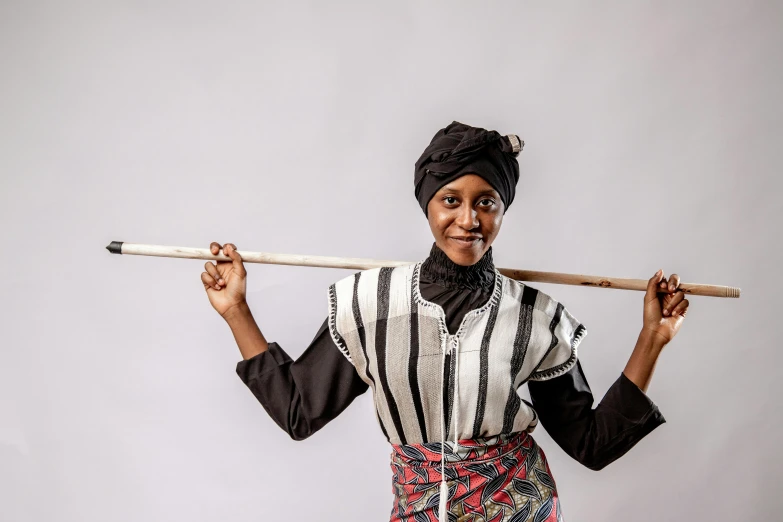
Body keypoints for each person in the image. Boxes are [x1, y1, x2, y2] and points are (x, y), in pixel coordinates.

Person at [200, 121, 689, 522]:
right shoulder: (370, 304)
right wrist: (236, 310)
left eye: (486, 202)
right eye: (450, 200)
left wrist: (652, 337)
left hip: (521, 510)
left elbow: (591, 443)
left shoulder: (535, 318)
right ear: (428, 205)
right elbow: (298, 410)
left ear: (502, 209)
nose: (469, 220)